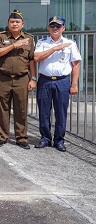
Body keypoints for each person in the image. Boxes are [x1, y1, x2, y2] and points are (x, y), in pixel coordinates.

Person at [33, 16, 81, 152]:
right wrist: (55, 48)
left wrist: (74, 84)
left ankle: (59, 140)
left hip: (62, 81)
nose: (55, 28)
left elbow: (76, 64)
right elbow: (37, 58)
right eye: (52, 25)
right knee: (43, 111)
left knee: (61, 112)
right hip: (45, 80)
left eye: (58, 26)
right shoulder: (42, 42)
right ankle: (45, 138)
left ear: (63, 28)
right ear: (48, 28)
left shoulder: (70, 43)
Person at [0, 10, 37, 149]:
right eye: (12, 22)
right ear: (8, 23)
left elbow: (31, 61)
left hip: (22, 79)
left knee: (21, 109)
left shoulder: (29, 39)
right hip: (3, 78)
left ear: (22, 24)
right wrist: (13, 45)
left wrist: (33, 78)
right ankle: (2, 137)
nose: (15, 24)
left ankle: (22, 138)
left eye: (17, 22)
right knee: (2, 109)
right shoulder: (0, 37)